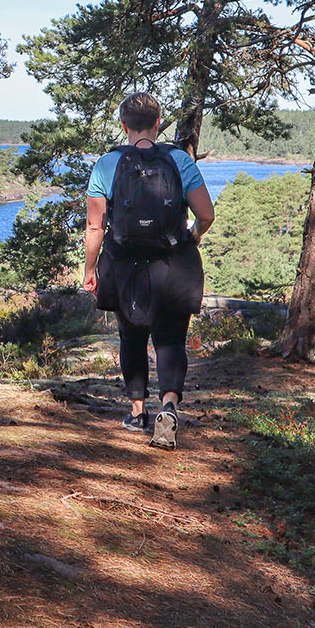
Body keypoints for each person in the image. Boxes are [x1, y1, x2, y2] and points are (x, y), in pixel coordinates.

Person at [81, 93, 214, 450]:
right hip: (173, 265)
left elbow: (96, 227)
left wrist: (90, 269)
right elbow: (206, 215)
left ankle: (137, 411)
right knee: (170, 339)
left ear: (123, 125)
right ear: (158, 124)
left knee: (131, 337)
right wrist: (193, 237)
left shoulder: (107, 164)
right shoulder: (179, 161)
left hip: (125, 266)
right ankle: (168, 406)